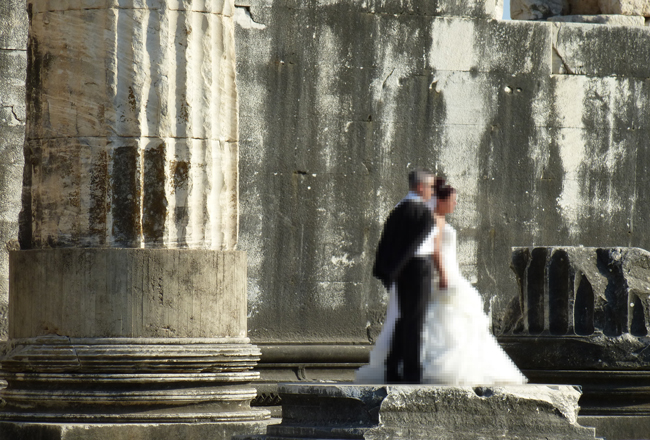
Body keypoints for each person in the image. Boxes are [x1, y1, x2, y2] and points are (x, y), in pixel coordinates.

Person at [420, 182, 527, 385]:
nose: (456, 203)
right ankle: (443, 365)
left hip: (450, 274)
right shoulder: (435, 221)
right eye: (452, 200)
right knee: (451, 318)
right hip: (445, 277)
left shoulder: (438, 219)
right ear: (441, 201)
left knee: (454, 319)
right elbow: (435, 251)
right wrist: (443, 276)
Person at [359, 169, 437, 384]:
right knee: (415, 322)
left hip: (402, 271)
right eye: (430, 186)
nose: (432, 190)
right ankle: (412, 373)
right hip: (417, 269)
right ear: (420, 187)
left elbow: (387, 243)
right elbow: (412, 246)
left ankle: (393, 368)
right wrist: (398, 267)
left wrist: (388, 271)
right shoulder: (420, 212)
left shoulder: (399, 208)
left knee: (404, 320)